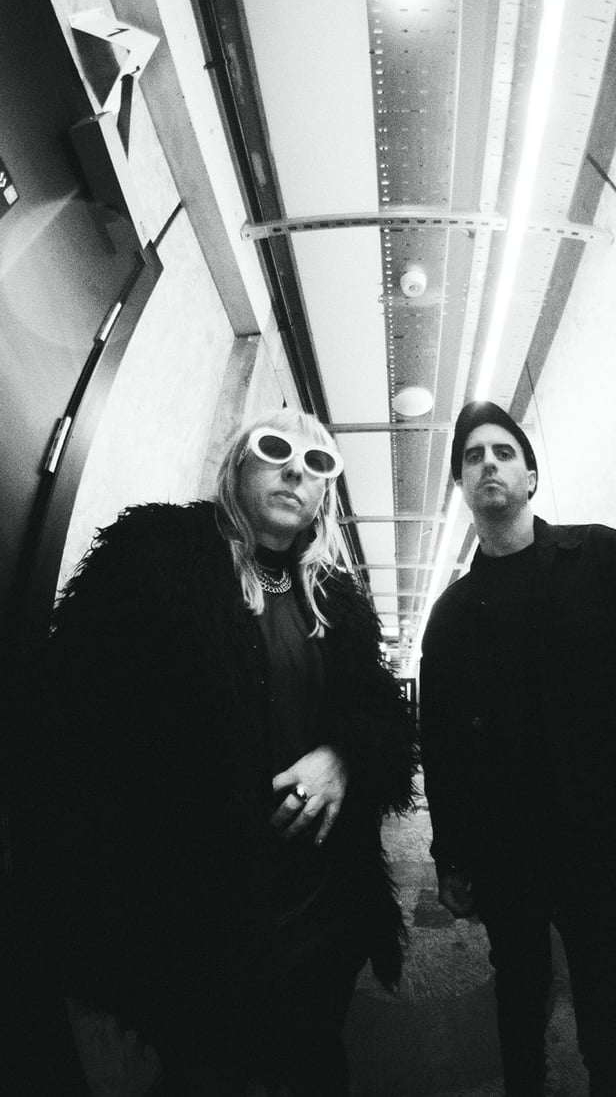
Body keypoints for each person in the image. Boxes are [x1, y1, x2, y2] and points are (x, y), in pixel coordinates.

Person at [37, 408, 417, 1097]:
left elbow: (381, 717)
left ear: (323, 496)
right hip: (198, 903)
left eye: (317, 462)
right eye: (276, 449)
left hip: (316, 899)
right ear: (238, 465)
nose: (296, 469)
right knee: (206, 1069)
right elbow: (78, 716)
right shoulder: (156, 559)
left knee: (314, 1061)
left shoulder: (336, 601)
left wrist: (343, 755)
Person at [419, 401, 616, 1097]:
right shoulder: (450, 617)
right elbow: (444, 751)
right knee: (518, 996)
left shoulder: (602, 559)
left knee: (610, 1013)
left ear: (532, 476)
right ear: (460, 486)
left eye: (503, 452)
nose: (488, 463)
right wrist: (450, 857)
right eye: (473, 456)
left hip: (603, 845)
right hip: (506, 853)